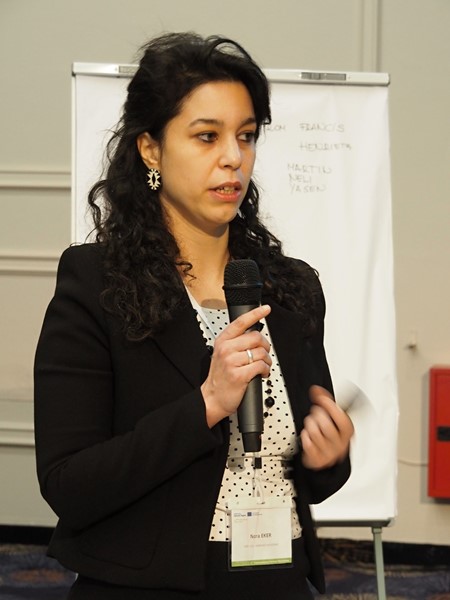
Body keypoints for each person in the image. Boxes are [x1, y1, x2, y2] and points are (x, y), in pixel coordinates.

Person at [34, 32, 354, 599]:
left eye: (246, 136)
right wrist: (206, 404)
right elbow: (69, 485)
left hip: (275, 579)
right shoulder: (96, 283)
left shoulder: (292, 287)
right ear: (151, 150)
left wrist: (326, 456)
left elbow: (308, 479)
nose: (233, 157)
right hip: (147, 586)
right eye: (207, 136)